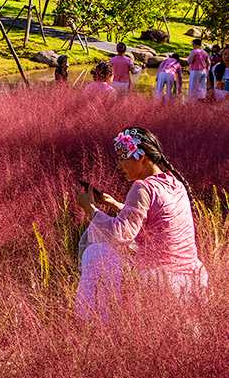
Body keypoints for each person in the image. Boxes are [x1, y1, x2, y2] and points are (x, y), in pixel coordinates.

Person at [75, 128, 207, 320]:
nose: (119, 166)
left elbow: (120, 233)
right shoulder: (175, 184)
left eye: (123, 158)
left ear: (142, 158)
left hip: (160, 279)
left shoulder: (142, 187)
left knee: (95, 254)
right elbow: (154, 216)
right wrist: (114, 204)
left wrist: (90, 209)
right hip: (191, 279)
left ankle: (95, 320)